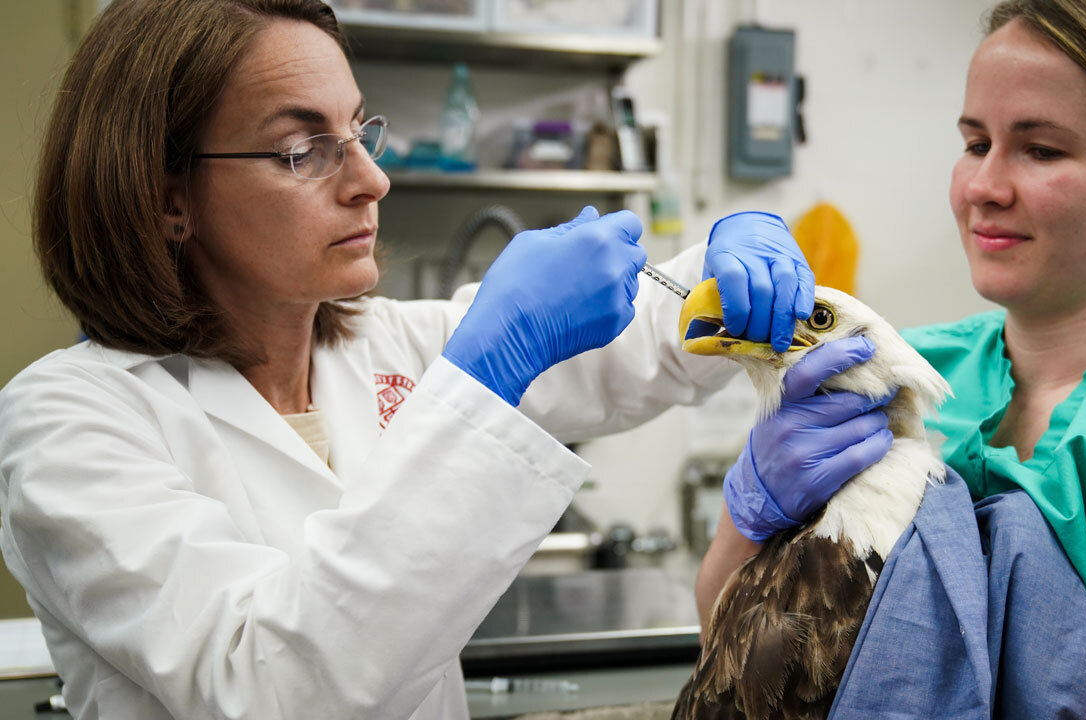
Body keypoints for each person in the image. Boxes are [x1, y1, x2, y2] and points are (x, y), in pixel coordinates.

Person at [0, 1, 894, 719]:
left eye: (360, 130)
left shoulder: (385, 344)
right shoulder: (68, 424)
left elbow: (641, 343)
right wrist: (487, 370)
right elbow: (278, 689)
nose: (370, 180)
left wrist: (732, 257)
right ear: (167, 201)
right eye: (303, 148)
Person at [696, 1, 1086, 717]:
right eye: (976, 144)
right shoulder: (910, 369)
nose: (983, 188)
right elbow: (734, 660)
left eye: (1041, 150)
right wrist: (751, 509)